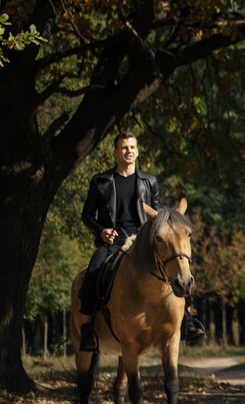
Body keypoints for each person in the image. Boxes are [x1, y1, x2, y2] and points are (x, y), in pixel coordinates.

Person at [77, 131, 205, 352]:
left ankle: (187, 320)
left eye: (133, 147)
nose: (129, 151)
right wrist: (101, 231)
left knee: (178, 266)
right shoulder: (100, 181)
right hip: (113, 242)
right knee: (93, 272)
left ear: (137, 152)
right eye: (124, 147)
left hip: (142, 244)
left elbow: (156, 216)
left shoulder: (149, 181)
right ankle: (88, 331)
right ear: (116, 152)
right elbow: (86, 215)